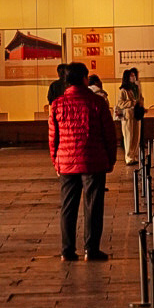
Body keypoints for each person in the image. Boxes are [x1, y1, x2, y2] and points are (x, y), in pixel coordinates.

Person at [48, 61, 117, 262]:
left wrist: (56, 162)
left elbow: (53, 138)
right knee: (93, 206)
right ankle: (91, 249)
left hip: (66, 162)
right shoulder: (97, 103)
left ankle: (67, 250)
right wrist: (110, 160)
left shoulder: (57, 105)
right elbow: (109, 136)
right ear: (85, 79)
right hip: (93, 162)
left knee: (68, 207)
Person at [114, 69, 140, 165]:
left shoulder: (136, 88)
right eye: (131, 76)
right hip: (128, 115)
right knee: (129, 136)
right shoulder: (123, 90)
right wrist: (132, 103)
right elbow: (120, 103)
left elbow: (140, 98)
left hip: (137, 114)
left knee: (136, 137)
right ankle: (129, 157)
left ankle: (135, 155)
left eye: (134, 75)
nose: (133, 77)